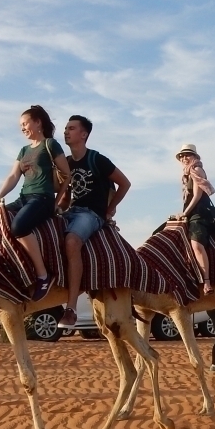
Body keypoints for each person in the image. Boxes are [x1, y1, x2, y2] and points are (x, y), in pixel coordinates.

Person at [57, 115, 131, 329]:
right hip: (71, 211)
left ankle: (70, 309)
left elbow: (124, 183)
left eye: (71, 128)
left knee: (72, 242)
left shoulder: (97, 160)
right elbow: (65, 196)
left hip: (90, 214)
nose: (66, 132)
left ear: (83, 134)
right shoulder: (67, 163)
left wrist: (107, 211)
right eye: (65, 128)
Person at [0, 106, 71, 301]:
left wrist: (57, 202)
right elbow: (13, 176)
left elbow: (67, 175)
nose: (22, 128)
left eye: (25, 123)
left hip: (42, 198)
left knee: (19, 226)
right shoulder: (23, 150)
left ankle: (43, 276)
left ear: (38, 123)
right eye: (21, 125)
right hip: (23, 198)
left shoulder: (50, 145)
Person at [176, 144, 215, 295]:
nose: (184, 158)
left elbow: (197, 196)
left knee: (196, 245)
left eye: (187, 155)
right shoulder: (187, 174)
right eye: (181, 156)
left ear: (195, 157)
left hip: (199, 214)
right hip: (190, 213)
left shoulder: (196, 170)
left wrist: (185, 214)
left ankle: (207, 282)